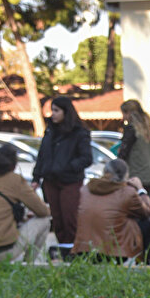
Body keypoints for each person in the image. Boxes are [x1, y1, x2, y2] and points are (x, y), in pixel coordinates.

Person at [0, 143, 52, 263]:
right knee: (44, 221)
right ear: (14, 165)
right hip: (3, 252)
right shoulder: (16, 180)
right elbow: (43, 211)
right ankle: (29, 264)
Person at [32, 96, 92, 258]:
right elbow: (42, 154)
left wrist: (67, 168)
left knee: (69, 216)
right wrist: (36, 177)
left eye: (57, 111)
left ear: (66, 112)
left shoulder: (79, 132)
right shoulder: (50, 131)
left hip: (70, 181)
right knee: (57, 218)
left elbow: (86, 158)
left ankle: (74, 249)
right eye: (52, 110)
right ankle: (63, 248)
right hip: (50, 181)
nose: (53, 114)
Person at [74, 158, 150, 262]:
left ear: (105, 172)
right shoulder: (128, 193)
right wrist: (141, 189)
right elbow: (146, 212)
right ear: (125, 175)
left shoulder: (85, 189)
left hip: (84, 247)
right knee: (134, 220)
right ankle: (140, 257)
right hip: (113, 251)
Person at [120, 100, 150, 192]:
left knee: (135, 203)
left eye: (124, 114)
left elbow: (123, 153)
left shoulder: (131, 130)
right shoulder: (148, 128)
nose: (123, 118)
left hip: (137, 175)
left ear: (129, 113)